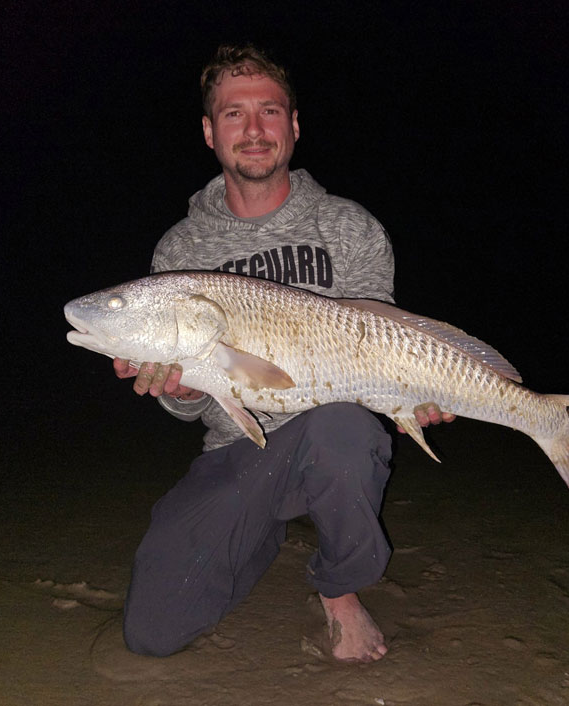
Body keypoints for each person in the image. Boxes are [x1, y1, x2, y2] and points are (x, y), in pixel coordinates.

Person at [114, 44, 453, 663]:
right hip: (235, 454)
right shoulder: (181, 249)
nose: (253, 129)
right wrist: (184, 391)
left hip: (332, 438)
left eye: (269, 111)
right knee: (151, 632)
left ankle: (340, 589)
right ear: (210, 131)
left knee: (345, 429)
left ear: (293, 126)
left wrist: (413, 391)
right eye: (234, 113)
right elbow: (188, 408)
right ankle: (258, 530)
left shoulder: (349, 227)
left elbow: (379, 340)